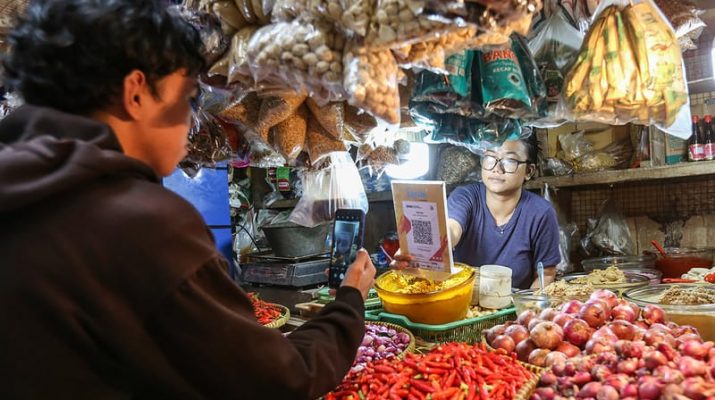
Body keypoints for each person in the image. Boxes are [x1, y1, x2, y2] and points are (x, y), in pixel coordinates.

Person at [0, 1, 375, 398]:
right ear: (137, 92)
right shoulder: (141, 223)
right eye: (188, 97)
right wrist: (347, 305)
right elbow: (274, 381)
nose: (191, 121)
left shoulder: (24, 190)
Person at [394, 136, 560, 290]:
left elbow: (545, 274)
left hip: (514, 309)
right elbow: (452, 229)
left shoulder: (541, 212)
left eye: (509, 160)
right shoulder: (466, 196)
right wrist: (419, 250)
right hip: (466, 306)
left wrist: (525, 312)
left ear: (529, 171)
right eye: (490, 157)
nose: (497, 169)